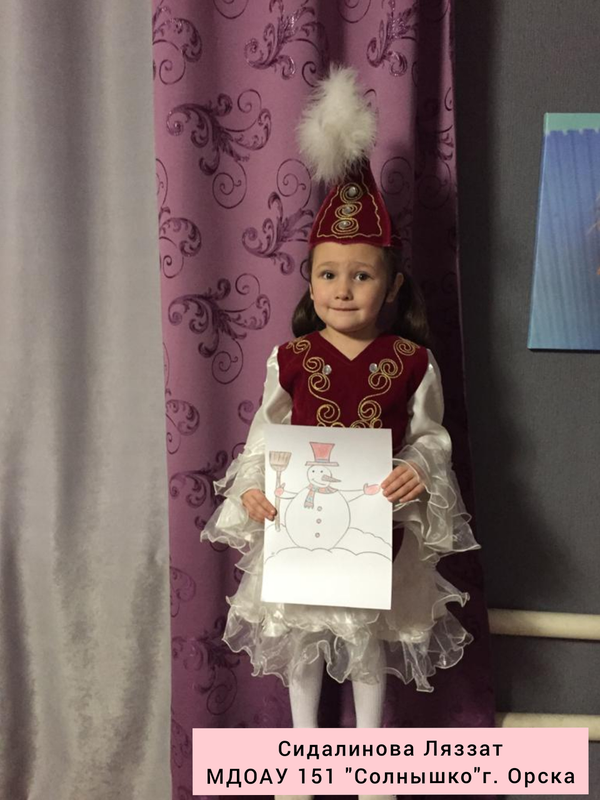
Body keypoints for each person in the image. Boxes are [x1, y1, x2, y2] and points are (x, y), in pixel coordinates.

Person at [201, 66, 480, 800]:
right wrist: (255, 490)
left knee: (366, 644)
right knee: (301, 640)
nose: (343, 289)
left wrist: (420, 467)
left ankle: (368, 764)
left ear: (391, 285)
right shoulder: (291, 358)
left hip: (374, 529)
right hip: (300, 525)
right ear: (309, 281)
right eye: (328, 275)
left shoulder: (411, 360)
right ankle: (302, 759)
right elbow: (266, 436)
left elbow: (431, 435)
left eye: (361, 276)